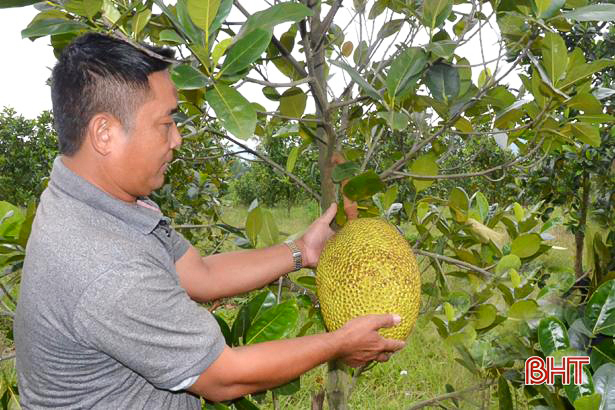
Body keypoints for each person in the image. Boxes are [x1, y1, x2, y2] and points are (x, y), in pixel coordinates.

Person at [13, 33, 405, 409]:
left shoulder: (97, 202)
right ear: (104, 133)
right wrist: (338, 343)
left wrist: (303, 251)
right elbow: (224, 376)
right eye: (166, 123)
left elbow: (200, 275)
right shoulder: (103, 263)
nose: (177, 139)